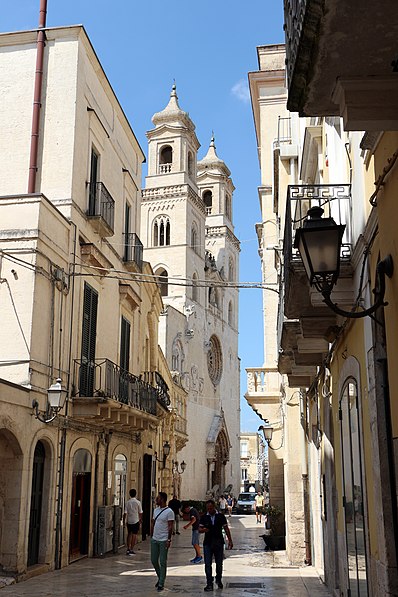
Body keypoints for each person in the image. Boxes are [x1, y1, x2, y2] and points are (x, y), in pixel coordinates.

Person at [199, 499, 233, 591]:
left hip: (218, 542)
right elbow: (199, 529)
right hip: (208, 543)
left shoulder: (220, 516)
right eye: (208, 509)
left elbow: (226, 528)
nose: (209, 510)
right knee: (207, 564)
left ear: (214, 507)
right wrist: (204, 530)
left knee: (219, 563)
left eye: (211, 508)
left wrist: (230, 540)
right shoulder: (204, 517)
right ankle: (209, 583)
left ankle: (218, 579)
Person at [150, 492, 175, 592]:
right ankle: (160, 576)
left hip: (164, 539)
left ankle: (161, 582)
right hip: (155, 539)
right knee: (154, 560)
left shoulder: (169, 512)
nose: (156, 500)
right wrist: (151, 535)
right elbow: (153, 523)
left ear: (163, 500)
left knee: (163, 561)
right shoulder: (156, 510)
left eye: (158, 498)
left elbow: (170, 526)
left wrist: (169, 539)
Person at [123, 488, 143, 555]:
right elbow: (140, 512)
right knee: (134, 535)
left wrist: (124, 520)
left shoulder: (127, 502)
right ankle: (131, 548)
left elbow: (125, 512)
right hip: (136, 520)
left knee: (129, 534)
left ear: (129, 494)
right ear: (135, 494)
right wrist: (140, 519)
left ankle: (128, 548)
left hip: (129, 520)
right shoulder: (138, 502)